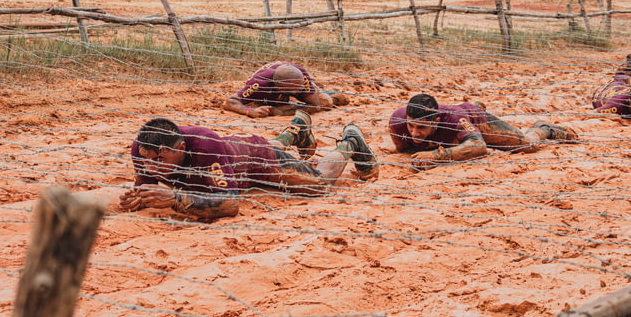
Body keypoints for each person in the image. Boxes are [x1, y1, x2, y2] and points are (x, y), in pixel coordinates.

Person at [118, 114, 377, 220]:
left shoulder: (205, 148)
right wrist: (140, 197)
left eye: (159, 160)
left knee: (319, 183)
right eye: (146, 159)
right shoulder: (143, 147)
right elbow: (145, 186)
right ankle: (295, 132)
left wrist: (175, 198)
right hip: (233, 152)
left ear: (181, 149)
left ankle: (351, 141)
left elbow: (230, 204)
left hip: (256, 159)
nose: (151, 166)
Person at [388, 93, 578, 169]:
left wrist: (437, 156)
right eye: (410, 126)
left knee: (527, 144)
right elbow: (405, 151)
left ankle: (544, 128)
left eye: (421, 127)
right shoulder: (397, 122)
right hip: (456, 130)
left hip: (475, 120)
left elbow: (479, 147)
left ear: (437, 122)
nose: (413, 133)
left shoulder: (454, 119)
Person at [223, 61, 337, 118]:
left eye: (301, 87)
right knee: (261, 105)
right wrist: (250, 111)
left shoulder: (302, 76)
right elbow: (229, 102)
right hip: (270, 90)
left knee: (327, 102)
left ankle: (330, 94)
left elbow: (315, 106)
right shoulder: (260, 83)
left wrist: (278, 111)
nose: (300, 90)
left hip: (290, 81)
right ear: (281, 87)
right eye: (296, 89)